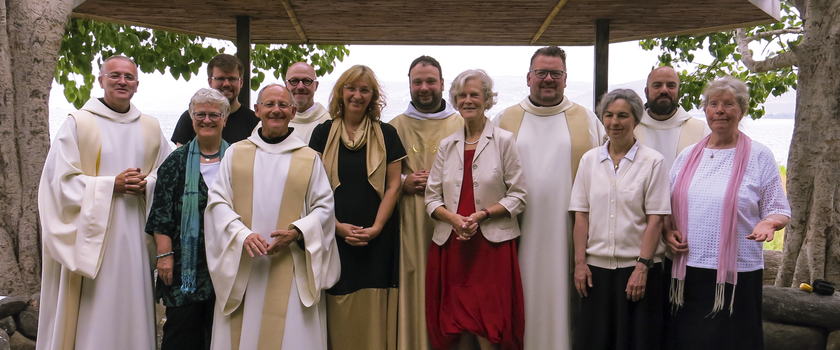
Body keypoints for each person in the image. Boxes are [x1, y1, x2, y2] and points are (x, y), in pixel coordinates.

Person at [37, 55, 171, 350]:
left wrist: (147, 184)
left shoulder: (150, 127)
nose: (122, 81)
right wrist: (111, 185)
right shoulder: (79, 123)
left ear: (137, 84)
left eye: (129, 77)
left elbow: (168, 175)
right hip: (92, 239)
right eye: (115, 76)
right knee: (94, 305)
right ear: (101, 81)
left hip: (135, 237)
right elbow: (57, 183)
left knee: (131, 300)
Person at [204, 83, 340, 350]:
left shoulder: (309, 158)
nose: (276, 110)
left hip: (289, 265)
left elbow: (324, 208)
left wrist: (297, 232)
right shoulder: (235, 153)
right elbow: (217, 203)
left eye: (282, 105)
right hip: (245, 264)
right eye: (269, 104)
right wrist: (242, 235)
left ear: (292, 111)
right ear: (257, 110)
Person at [493, 45, 606, 350]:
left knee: (566, 300)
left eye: (556, 73)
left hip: (568, 233)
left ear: (566, 79)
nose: (548, 79)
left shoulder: (586, 119)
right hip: (519, 231)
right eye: (541, 73)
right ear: (528, 77)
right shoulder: (505, 119)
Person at [665, 76, 790, 350]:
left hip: (737, 274)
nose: (719, 110)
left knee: (733, 341)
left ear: (742, 110)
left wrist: (768, 224)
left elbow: (779, 209)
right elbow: (668, 206)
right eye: (713, 104)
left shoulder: (760, 155)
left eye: (728, 104)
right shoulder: (686, 156)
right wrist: (667, 231)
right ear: (705, 110)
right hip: (688, 269)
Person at [425, 69, 526, 350]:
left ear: (488, 99)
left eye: (474, 95)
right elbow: (431, 198)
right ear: (455, 100)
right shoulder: (447, 145)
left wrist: (481, 216)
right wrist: (454, 220)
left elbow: (519, 196)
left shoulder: (505, 140)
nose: (468, 100)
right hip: (453, 245)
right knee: (454, 324)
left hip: (490, 248)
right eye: (462, 95)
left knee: (488, 324)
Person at [309, 65, 407, 349]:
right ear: (341, 92)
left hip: (378, 238)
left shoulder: (388, 134)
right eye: (351, 88)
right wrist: (337, 227)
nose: (357, 95)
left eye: (365, 89)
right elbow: (311, 188)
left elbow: (393, 186)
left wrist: (376, 228)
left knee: (376, 305)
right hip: (334, 237)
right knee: (338, 301)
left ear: (373, 96)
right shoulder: (322, 133)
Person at [569, 89, 671, 350]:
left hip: (637, 272)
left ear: (636, 119)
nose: (615, 122)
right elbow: (581, 215)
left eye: (623, 115)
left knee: (637, 343)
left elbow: (656, 219)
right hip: (596, 273)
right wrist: (580, 263)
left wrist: (641, 267)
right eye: (609, 115)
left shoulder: (653, 162)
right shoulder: (589, 160)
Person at [146, 88, 231, 350]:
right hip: (185, 268)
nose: (207, 120)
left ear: (224, 119)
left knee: (221, 335)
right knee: (181, 336)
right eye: (200, 114)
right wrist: (164, 256)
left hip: (228, 264)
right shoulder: (175, 162)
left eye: (214, 114)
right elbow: (161, 213)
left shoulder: (238, 159)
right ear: (192, 118)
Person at [389, 55, 463, 350]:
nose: (424, 87)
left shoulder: (462, 123)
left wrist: (443, 180)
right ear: (409, 84)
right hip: (409, 223)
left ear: (442, 84)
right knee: (415, 289)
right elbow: (377, 176)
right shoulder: (392, 127)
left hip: (455, 221)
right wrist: (405, 182)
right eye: (417, 81)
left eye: (430, 81)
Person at [171, 54, 260, 146]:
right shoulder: (191, 118)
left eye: (232, 79)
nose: (226, 84)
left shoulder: (254, 122)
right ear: (210, 81)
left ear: (241, 82)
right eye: (220, 79)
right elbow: (181, 156)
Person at [634, 66, 711, 171]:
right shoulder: (630, 130)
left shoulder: (702, 131)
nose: (664, 90)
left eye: (671, 86)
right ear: (646, 92)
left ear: (678, 92)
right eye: (657, 85)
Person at [286, 62, 331, 143]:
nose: (300, 87)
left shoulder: (330, 123)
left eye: (307, 81)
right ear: (286, 85)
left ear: (316, 86)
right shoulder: (273, 122)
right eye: (294, 81)